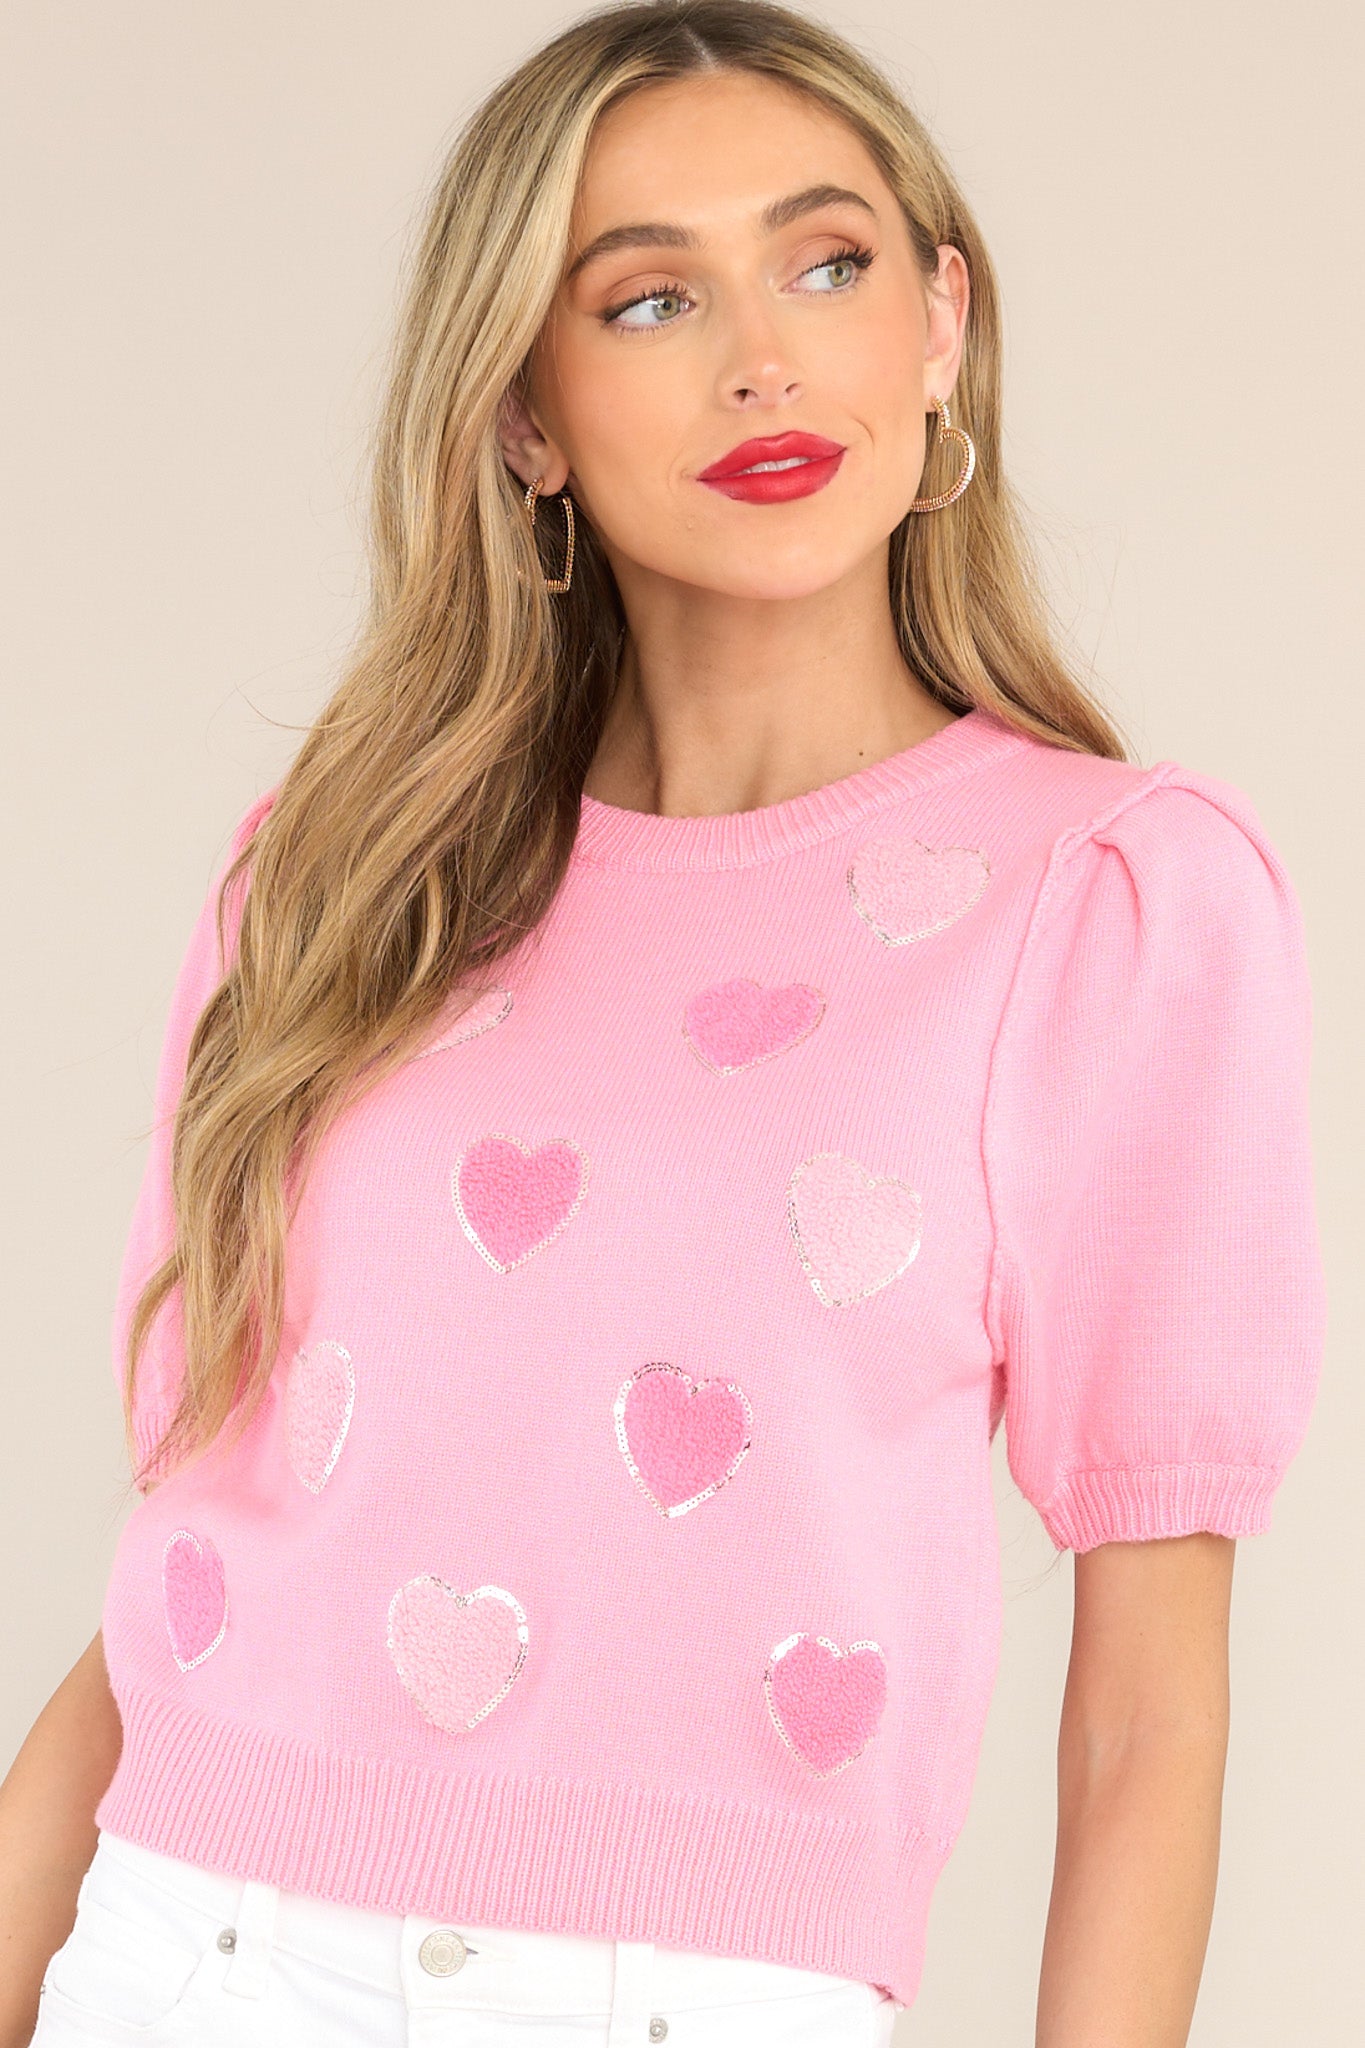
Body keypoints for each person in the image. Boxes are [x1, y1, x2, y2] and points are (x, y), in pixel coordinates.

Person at [1, 2, 1326, 2042]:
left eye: (826, 265)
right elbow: (189, 1571)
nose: (759, 359)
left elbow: (1149, 1711)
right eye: (645, 300)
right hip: (183, 1953)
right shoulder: (343, 878)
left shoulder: (1103, 899)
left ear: (940, 328)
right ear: (523, 416)